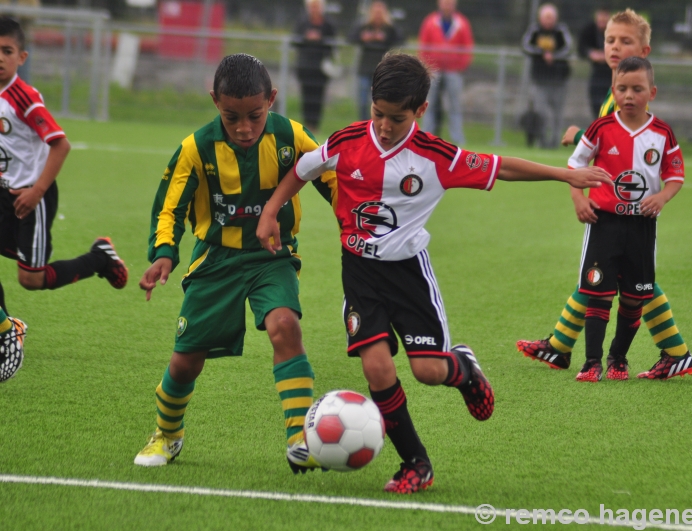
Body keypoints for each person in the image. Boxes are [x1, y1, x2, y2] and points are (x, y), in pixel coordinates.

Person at [256, 53, 611, 493]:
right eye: (378, 114)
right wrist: (271, 209)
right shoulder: (345, 142)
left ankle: (462, 368)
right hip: (361, 275)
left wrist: (565, 175)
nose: (385, 126)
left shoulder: (436, 157)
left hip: (409, 277)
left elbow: (502, 167)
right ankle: (415, 464)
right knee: (377, 368)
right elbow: (303, 171)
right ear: (370, 102)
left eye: (397, 118)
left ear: (420, 111)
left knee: (426, 370)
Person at [133, 53, 337, 471]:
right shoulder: (196, 149)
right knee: (186, 361)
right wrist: (164, 254)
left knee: (286, 326)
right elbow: (169, 208)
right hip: (215, 261)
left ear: (272, 100)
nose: (244, 128)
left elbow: (333, 176)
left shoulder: (291, 136)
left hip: (271, 257)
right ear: (214, 102)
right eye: (232, 117)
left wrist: (358, 219)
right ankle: (168, 434)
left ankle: (300, 437)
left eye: (255, 116)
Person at [518, 9, 692, 381]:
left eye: (625, 42)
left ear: (643, 51)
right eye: (610, 40)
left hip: (629, 212)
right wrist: (580, 133)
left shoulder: (633, 97)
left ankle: (671, 351)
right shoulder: (613, 92)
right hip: (611, 211)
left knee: (620, 283)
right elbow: (607, 137)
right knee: (610, 281)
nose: (615, 47)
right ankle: (563, 344)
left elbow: (631, 138)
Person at [0, 16, 127, 383]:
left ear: (21, 56)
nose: (0, 57)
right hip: (3, 192)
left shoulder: (23, 97)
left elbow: (60, 144)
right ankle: (8, 331)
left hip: (32, 196)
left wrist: (37, 190)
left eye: (7, 51)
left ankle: (98, 258)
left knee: (31, 280)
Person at [566, 57, 691, 382]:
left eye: (637, 89)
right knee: (599, 292)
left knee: (636, 296)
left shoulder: (663, 133)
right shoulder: (601, 127)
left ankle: (618, 358)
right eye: (622, 89)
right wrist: (579, 199)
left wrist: (662, 197)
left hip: (641, 225)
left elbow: (676, 175)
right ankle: (591, 362)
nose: (629, 95)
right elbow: (574, 164)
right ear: (613, 90)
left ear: (652, 91)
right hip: (603, 222)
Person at [418, 0, 473, 145]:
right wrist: (426, 66)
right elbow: (423, 45)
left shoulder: (462, 23)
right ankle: (424, 137)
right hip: (433, 70)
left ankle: (458, 140)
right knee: (428, 104)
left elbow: (468, 47)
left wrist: (461, 65)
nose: (447, 5)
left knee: (455, 106)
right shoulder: (430, 22)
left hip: (453, 71)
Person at [521, 3, 572, 149]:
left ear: (555, 19)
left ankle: (555, 143)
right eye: (546, 17)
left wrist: (554, 56)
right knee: (541, 114)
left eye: (551, 18)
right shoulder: (535, 30)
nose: (548, 21)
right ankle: (542, 142)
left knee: (557, 115)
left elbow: (568, 48)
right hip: (540, 81)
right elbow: (525, 46)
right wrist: (542, 53)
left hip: (559, 81)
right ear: (540, 18)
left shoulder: (561, 31)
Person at [349, 1, 404, 121]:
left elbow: (401, 39)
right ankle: (363, 124)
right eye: (375, 12)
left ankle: (376, 124)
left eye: (380, 12)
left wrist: (385, 38)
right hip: (365, 68)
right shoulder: (364, 26)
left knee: (380, 101)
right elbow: (350, 37)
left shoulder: (389, 28)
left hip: (382, 70)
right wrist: (362, 38)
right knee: (363, 101)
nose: (378, 15)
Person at [292, 0, 337, 132]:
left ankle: (315, 125)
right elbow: (295, 40)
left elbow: (333, 43)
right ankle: (307, 124)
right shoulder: (302, 22)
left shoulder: (328, 24)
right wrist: (307, 38)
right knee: (306, 96)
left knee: (319, 96)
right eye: (312, 7)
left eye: (317, 7)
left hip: (322, 67)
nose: (314, 9)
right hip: (305, 66)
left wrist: (320, 39)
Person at [578, 8, 612, 117]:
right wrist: (591, 54)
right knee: (596, 103)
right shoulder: (589, 30)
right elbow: (581, 48)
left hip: (613, 73)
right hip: (597, 72)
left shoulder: (616, 30)